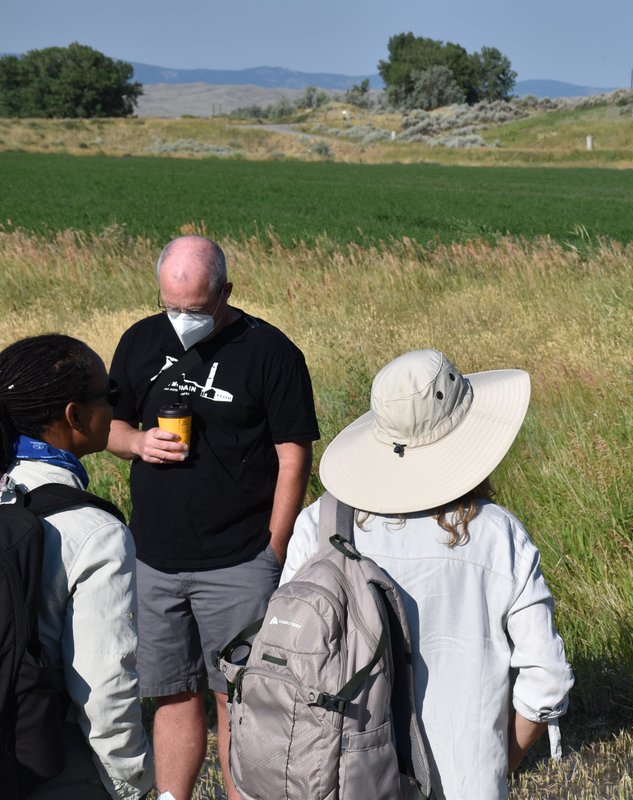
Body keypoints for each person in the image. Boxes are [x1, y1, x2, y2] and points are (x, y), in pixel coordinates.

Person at [281, 349, 573, 800]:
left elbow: (288, 661)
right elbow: (547, 679)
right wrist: (497, 762)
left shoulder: (321, 525)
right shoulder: (498, 536)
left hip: (343, 781)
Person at [106, 236, 319, 800]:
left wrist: (273, 549)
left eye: (196, 310)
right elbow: (110, 425)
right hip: (153, 559)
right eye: (170, 306)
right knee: (171, 695)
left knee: (239, 700)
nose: (181, 320)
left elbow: (293, 454)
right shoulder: (139, 342)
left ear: (226, 292)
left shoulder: (270, 351)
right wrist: (137, 443)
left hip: (239, 561)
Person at [0, 334, 154, 799]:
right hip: (48, 758)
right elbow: (106, 687)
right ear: (75, 415)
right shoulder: (95, 532)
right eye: (109, 396)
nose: (115, 407)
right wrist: (130, 784)